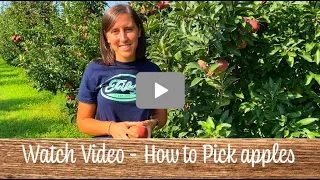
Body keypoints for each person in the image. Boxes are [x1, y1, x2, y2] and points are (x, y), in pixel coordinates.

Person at [76, 4, 167, 138]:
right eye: (115, 31)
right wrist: (111, 128)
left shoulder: (153, 70)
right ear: (106, 37)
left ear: (139, 31)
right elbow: (82, 122)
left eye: (129, 29)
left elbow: (162, 117)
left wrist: (152, 123)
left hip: (140, 152)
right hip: (104, 154)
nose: (123, 38)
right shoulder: (94, 69)